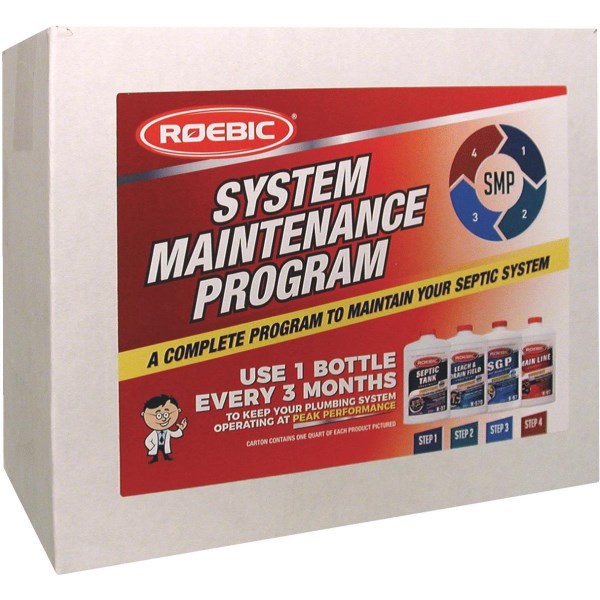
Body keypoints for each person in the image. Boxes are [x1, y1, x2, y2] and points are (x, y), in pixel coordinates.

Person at [141, 394, 188, 464]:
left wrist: (180, 429)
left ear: (178, 410)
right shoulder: (154, 433)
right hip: (156, 445)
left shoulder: (167, 431)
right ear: (143, 414)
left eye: (166, 414)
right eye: (158, 416)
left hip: (163, 444)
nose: (163, 419)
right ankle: (155, 458)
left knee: (164, 451)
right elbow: (147, 441)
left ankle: (166, 456)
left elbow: (175, 434)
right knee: (156, 453)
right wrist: (152, 447)